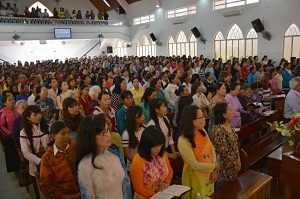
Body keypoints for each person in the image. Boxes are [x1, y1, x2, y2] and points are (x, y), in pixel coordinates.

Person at [76, 115, 131, 199]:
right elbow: (88, 196)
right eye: (103, 133)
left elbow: (125, 183)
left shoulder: (116, 152)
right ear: (91, 137)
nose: (109, 135)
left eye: (108, 130)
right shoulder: (85, 165)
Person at [177, 105, 219, 199]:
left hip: (208, 173)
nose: (205, 118)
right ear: (192, 121)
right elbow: (194, 165)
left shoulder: (202, 131)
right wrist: (214, 166)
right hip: (195, 177)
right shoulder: (183, 140)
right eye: (201, 117)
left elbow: (211, 149)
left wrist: (214, 170)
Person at [39, 121, 81, 198]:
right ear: (53, 136)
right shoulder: (48, 158)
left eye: (68, 133)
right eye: (63, 133)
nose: (67, 136)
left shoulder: (75, 146)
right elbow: (45, 184)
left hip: (83, 189)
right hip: (65, 195)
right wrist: (65, 197)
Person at [130, 125, 173, 199]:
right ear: (147, 145)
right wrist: (157, 196)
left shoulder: (162, 154)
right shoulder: (138, 161)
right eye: (155, 146)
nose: (158, 149)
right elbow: (139, 188)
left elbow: (170, 171)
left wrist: (166, 182)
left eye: (160, 145)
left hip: (162, 195)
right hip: (146, 196)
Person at [212, 103, 241, 188]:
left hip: (234, 161)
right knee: (227, 190)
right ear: (224, 115)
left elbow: (235, 144)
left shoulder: (230, 125)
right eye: (230, 110)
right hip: (224, 166)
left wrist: (238, 159)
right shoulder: (218, 130)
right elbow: (223, 152)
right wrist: (234, 163)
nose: (233, 112)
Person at [20, 105, 50, 177]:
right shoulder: (24, 132)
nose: (39, 116)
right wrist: (40, 161)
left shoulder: (47, 126)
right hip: (36, 161)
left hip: (49, 157)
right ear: (28, 118)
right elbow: (26, 153)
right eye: (35, 115)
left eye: (39, 113)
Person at [0, 94, 21, 173]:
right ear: (5, 103)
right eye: (9, 100)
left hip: (19, 134)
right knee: (12, 153)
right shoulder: (3, 112)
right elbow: (1, 126)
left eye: (13, 99)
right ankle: (16, 168)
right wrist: (10, 134)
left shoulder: (17, 109)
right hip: (9, 137)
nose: (12, 101)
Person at [122, 105, 145, 171]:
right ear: (133, 117)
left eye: (143, 114)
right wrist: (138, 163)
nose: (143, 117)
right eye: (140, 115)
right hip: (134, 165)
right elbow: (127, 154)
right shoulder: (126, 134)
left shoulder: (145, 129)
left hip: (146, 163)